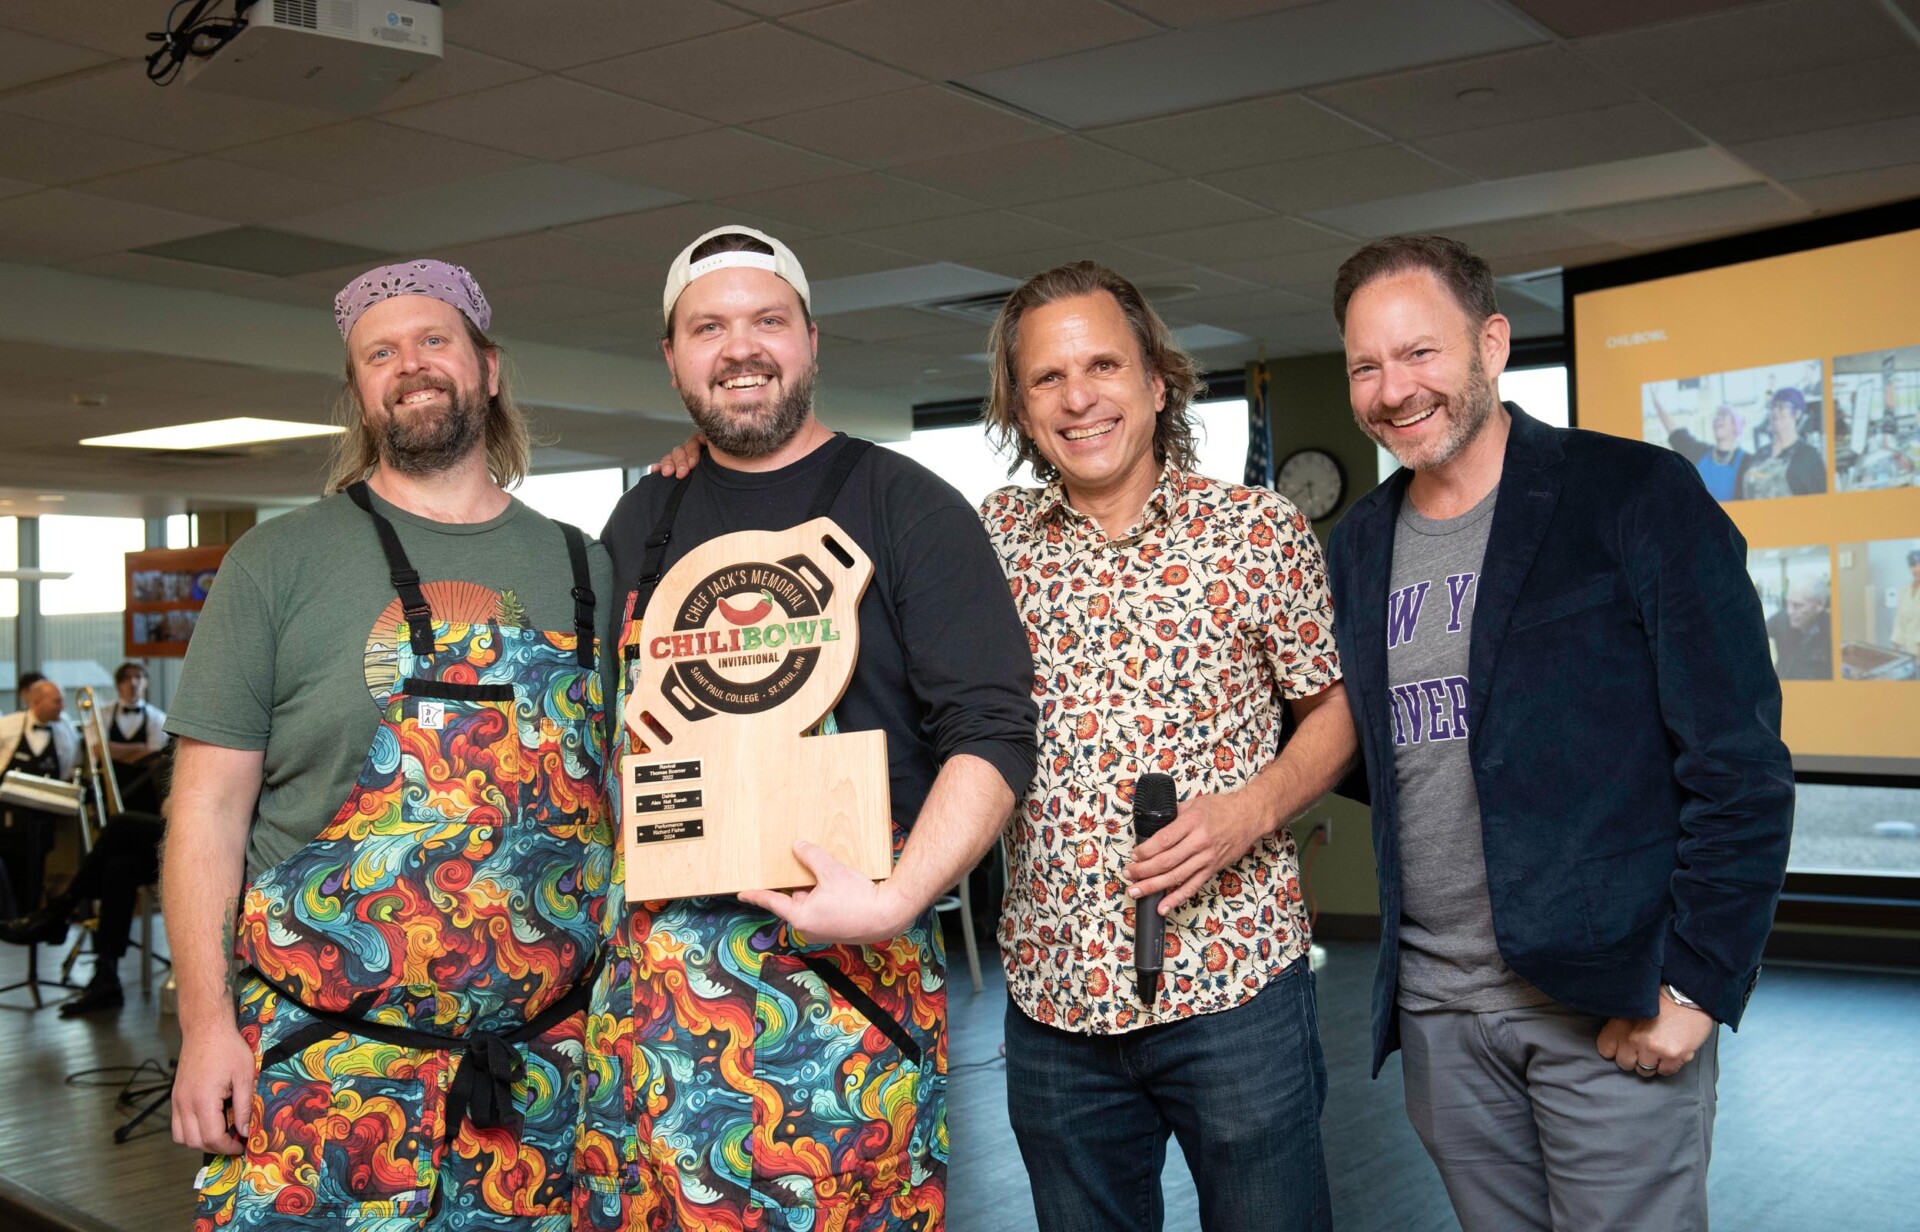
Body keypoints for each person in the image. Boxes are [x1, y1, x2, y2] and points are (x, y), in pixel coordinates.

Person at [1324, 235, 1794, 1231]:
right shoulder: (1358, 543)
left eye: (1421, 353)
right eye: (1367, 364)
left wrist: (1700, 985)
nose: (1393, 388)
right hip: (1441, 1014)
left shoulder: (1632, 495)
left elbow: (1738, 762)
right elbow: (1398, 757)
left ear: (1491, 343)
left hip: (1609, 999)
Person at [574, 226, 1036, 1232]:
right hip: (643, 1019)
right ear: (672, 356)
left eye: (767, 320)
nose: (741, 348)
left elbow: (994, 734)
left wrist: (899, 897)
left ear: (813, 341)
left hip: (836, 998)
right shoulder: (639, 521)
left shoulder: (908, 505)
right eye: (709, 327)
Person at [164, 259, 615, 1229]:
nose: (409, 364)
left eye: (433, 339)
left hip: (539, 1086)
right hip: (322, 1071)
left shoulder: (588, 565)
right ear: (361, 392)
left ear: (489, 368)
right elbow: (204, 809)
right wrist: (205, 1025)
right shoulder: (276, 563)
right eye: (380, 352)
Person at [966, 261, 1353, 1231]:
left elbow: (1337, 706)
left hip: (1233, 987)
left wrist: (1251, 810)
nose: (1079, 396)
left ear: (1156, 380)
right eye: (1047, 377)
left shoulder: (1255, 531)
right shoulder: (989, 542)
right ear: (1018, 404)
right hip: (1055, 1002)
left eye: (1103, 364)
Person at [0, 744, 171, 1016]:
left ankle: (58, 913)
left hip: (203, 837)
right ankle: (107, 977)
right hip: (175, 835)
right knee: (119, 868)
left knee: (120, 824)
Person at [0, 679, 79, 918]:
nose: (62, 707)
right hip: (7, 814)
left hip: (44, 816)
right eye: (56, 701)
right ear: (36, 702)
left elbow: (68, 769)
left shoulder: (65, 732)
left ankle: (30, 918)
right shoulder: (8, 726)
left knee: (36, 867)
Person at [1650, 391, 1749, 502]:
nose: (1718, 418)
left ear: (1736, 424)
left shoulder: (1747, 462)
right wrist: (1656, 403)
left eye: (1724, 414)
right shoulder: (1699, 451)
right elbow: (1676, 434)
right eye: (1717, 415)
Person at [102, 661, 170, 813]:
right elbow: (97, 749)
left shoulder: (158, 717)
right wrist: (139, 748)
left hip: (144, 791)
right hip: (109, 788)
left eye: (138, 677)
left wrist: (112, 751)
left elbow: (153, 757)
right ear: (119, 684)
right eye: (127, 678)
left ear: (145, 683)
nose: (133, 683)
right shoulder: (103, 713)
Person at [1739, 387, 1827, 498]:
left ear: (1797, 414)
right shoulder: (1760, 454)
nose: (1775, 411)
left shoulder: (1809, 456)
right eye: (1773, 406)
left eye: (1781, 406)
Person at [1766, 575, 1834, 680]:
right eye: (1787, 604)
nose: (1790, 612)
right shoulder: (1780, 619)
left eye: (1798, 605)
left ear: (1820, 605)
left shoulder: (1831, 627)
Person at [1895, 548, 1920, 661]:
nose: (1916, 569)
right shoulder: (1904, 591)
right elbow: (1899, 619)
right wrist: (1896, 644)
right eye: (1913, 566)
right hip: (1908, 651)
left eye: (1919, 564)